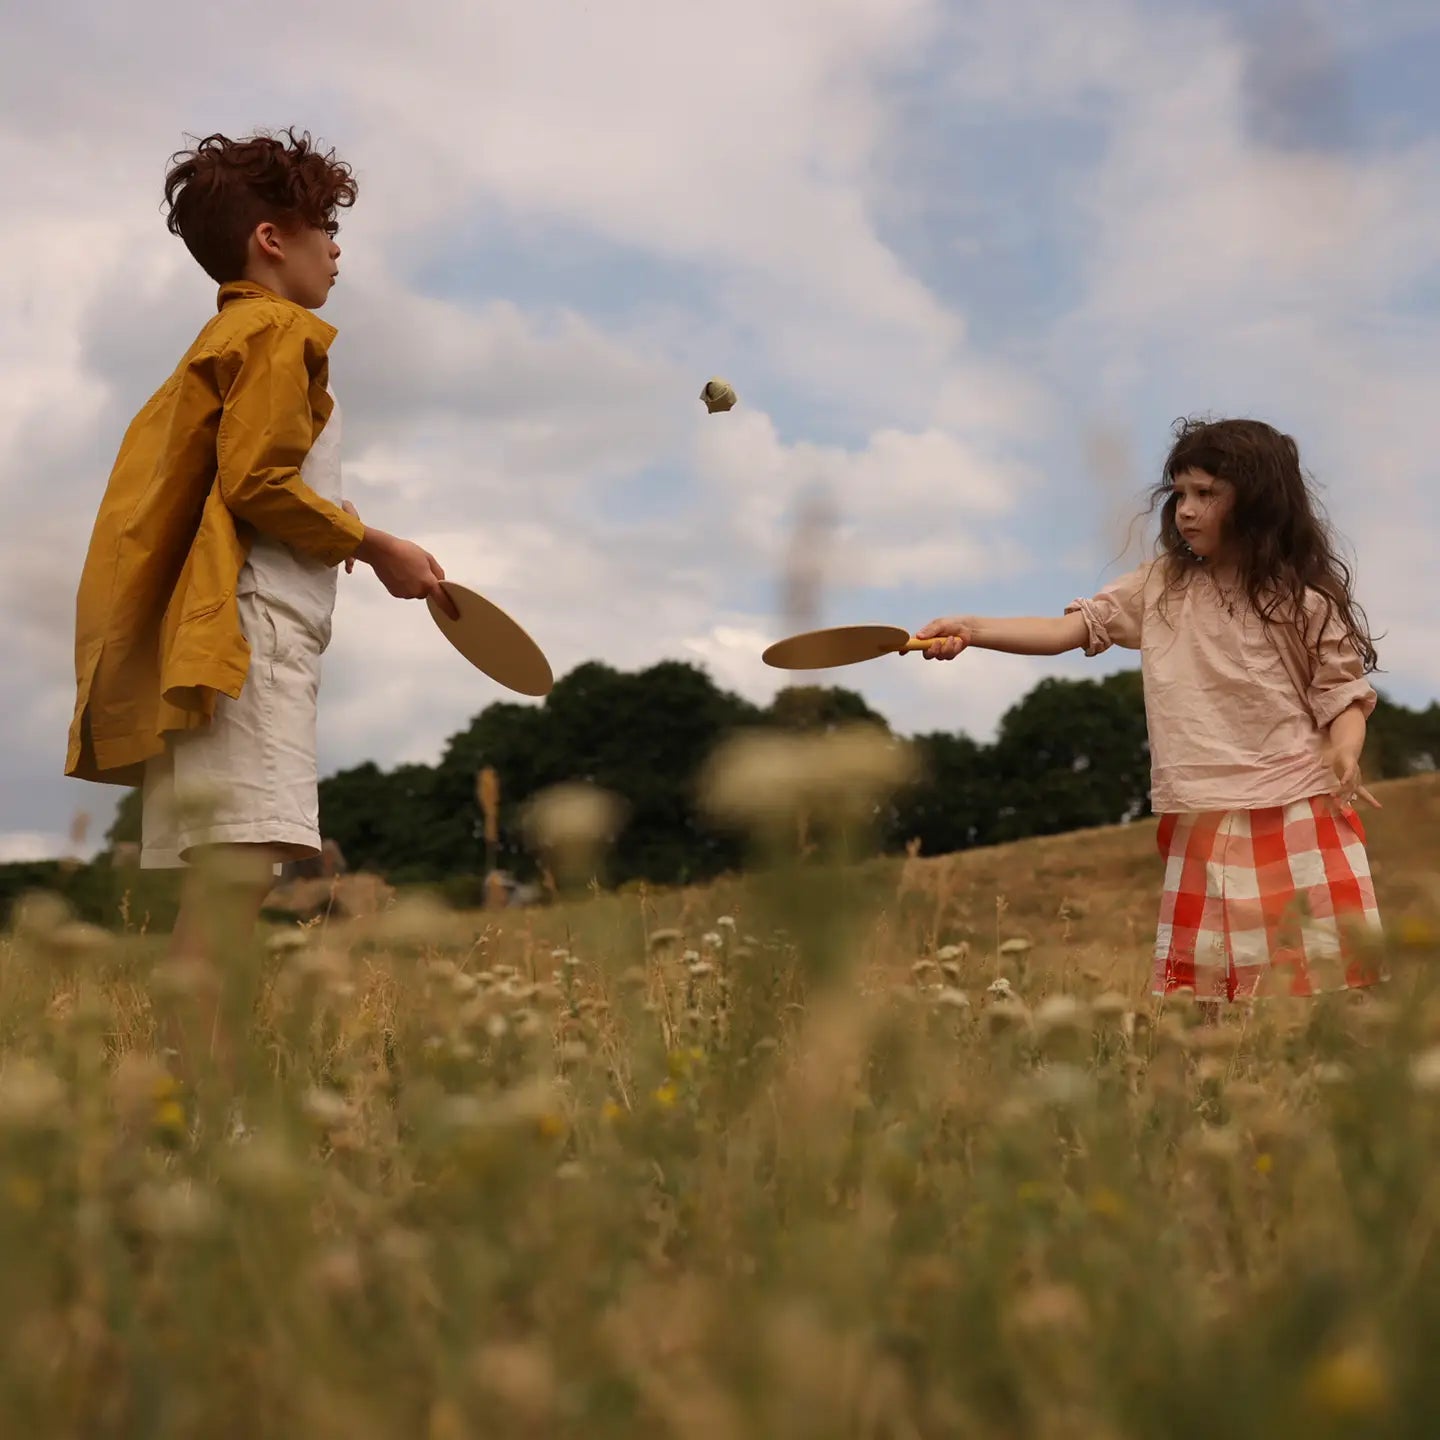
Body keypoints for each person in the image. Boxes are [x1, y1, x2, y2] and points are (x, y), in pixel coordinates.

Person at [65, 129, 458, 1064]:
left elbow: (244, 482)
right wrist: (379, 544)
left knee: (218, 897)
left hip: (207, 643)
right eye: (324, 224)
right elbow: (256, 485)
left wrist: (339, 524)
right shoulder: (278, 331)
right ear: (271, 240)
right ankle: (193, 1131)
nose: (337, 247)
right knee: (230, 900)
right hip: (247, 643)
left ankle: (165, 1123)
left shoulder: (218, 340)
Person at [917, 416, 1384, 1003]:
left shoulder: (1302, 600)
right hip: (1202, 811)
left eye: (1206, 493)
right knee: (1206, 999)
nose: (1186, 510)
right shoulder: (1161, 586)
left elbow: (1342, 693)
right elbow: (1068, 630)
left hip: (1297, 805)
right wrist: (973, 627)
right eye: (1180, 493)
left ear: (1259, 501)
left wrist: (1345, 748)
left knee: (1329, 984)